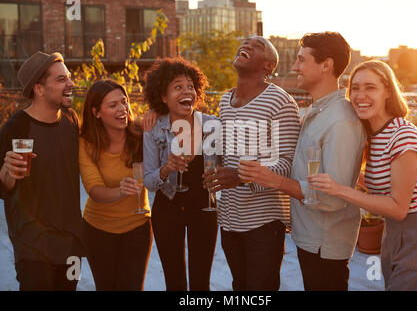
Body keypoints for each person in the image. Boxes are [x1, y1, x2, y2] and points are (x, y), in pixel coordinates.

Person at [238, 32, 366, 291]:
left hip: (325, 244)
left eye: (301, 60)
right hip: (310, 239)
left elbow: (332, 197)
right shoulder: (315, 112)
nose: (295, 67)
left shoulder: (341, 121)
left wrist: (272, 179)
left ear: (326, 65)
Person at [307, 60, 417, 291]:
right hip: (394, 233)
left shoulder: (403, 136)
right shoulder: (372, 135)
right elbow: (381, 185)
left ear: (387, 93)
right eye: (355, 87)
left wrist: (340, 189)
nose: (360, 95)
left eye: (370, 87)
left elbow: (398, 208)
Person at [204, 36, 301, 291]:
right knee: (240, 286)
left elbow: (287, 165)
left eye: (257, 46)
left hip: (264, 223)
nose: (245, 45)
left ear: (268, 67)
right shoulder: (225, 100)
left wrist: (240, 176)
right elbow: (226, 153)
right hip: (229, 218)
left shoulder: (281, 102)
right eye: (245, 42)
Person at [0, 51, 85, 290]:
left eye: (68, 77)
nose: (71, 84)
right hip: (32, 246)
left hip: (71, 244)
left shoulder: (71, 119)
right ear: (38, 89)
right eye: (61, 79)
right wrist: (7, 173)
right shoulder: (15, 127)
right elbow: (3, 185)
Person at [143, 57, 218, 291]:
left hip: (205, 210)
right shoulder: (154, 128)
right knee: (174, 281)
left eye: (190, 87)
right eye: (178, 87)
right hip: (167, 210)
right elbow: (149, 181)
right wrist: (166, 168)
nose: (187, 91)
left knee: (200, 283)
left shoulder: (212, 125)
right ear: (163, 97)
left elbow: (230, 162)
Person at [79, 79, 152, 291]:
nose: (122, 109)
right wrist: (120, 191)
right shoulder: (85, 143)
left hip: (137, 227)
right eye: (113, 105)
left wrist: (155, 112)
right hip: (97, 230)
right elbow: (94, 191)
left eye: (124, 101)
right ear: (96, 112)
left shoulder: (141, 133)